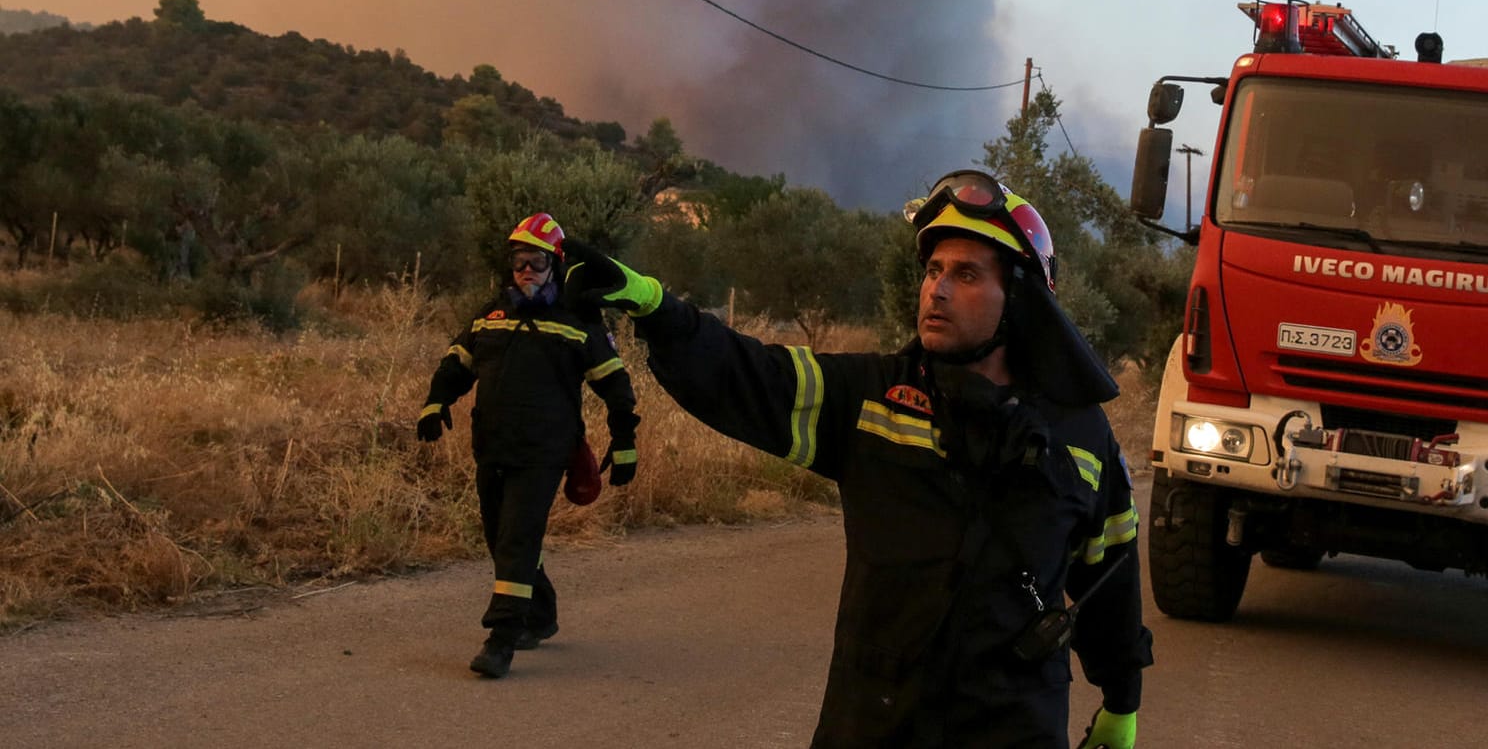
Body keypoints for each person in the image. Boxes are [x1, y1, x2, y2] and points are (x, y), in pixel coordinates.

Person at [566, 171, 1152, 749]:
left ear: (1021, 300)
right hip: (875, 719)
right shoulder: (872, 396)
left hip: (1013, 724)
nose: (937, 290)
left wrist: (1121, 701)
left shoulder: (1081, 436)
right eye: (933, 270)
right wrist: (653, 306)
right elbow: (748, 374)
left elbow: (1110, 577)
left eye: (966, 274)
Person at [416, 212, 641, 678]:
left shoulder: (579, 323)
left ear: (554, 266)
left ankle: (502, 639)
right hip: (492, 448)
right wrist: (436, 403)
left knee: (518, 538)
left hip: (544, 453)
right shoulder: (490, 315)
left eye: (536, 262)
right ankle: (541, 615)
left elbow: (616, 387)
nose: (526, 271)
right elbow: (456, 363)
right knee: (501, 538)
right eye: (519, 260)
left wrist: (624, 443)